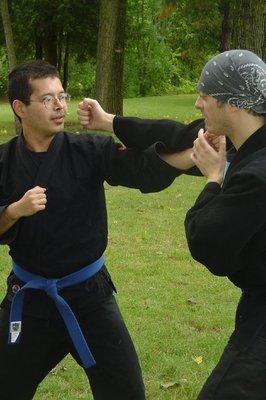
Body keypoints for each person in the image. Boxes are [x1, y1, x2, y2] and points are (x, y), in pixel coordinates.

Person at [0, 59, 197, 400]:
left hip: (90, 296)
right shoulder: (3, 163)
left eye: (62, 95)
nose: (60, 105)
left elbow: (141, 169)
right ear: (20, 107)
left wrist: (194, 153)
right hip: (29, 299)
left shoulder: (88, 150)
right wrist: (15, 210)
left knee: (127, 393)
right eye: (47, 99)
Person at [78, 49, 266, 399]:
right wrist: (108, 122)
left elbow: (206, 242)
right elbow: (173, 134)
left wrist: (213, 177)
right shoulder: (248, 142)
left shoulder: (256, 175)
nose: (196, 103)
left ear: (233, 104)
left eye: (205, 96)